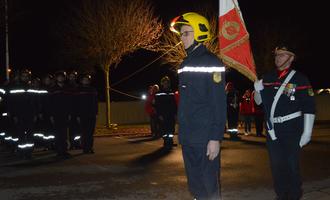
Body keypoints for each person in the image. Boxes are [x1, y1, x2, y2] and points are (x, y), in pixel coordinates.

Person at [170, 12, 226, 200]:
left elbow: (218, 103)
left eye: (186, 33)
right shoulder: (186, 63)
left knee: (209, 185)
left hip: (205, 137)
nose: (182, 38)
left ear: (199, 33)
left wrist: (215, 138)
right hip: (189, 137)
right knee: (195, 185)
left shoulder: (211, 62)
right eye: (181, 34)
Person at [254, 46, 316, 200]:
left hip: (292, 129)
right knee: (276, 166)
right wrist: (257, 90)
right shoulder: (267, 77)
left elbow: (309, 105)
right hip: (272, 129)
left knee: (291, 165)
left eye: (282, 55)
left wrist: (307, 132)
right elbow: (259, 102)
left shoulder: (300, 79)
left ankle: (294, 195)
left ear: (291, 58)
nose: (278, 58)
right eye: (276, 55)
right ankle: (281, 195)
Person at [76, 73, 98, 154]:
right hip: (82, 114)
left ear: (89, 81)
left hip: (91, 114)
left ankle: (90, 147)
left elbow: (95, 103)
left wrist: (96, 113)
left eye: (87, 80)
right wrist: (77, 115)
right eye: (84, 79)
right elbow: (76, 104)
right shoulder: (78, 90)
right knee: (84, 132)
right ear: (81, 81)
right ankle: (85, 148)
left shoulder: (93, 90)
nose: (85, 81)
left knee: (90, 132)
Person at [154, 76, 177, 148]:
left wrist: (175, 113)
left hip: (171, 114)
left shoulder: (171, 93)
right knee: (165, 129)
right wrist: (159, 115)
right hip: (163, 115)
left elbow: (174, 104)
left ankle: (170, 142)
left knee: (171, 128)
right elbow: (157, 105)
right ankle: (166, 142)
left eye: (167, 83)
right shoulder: (158, 93)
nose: (166, 84)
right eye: (164, 83)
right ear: (162, 83)